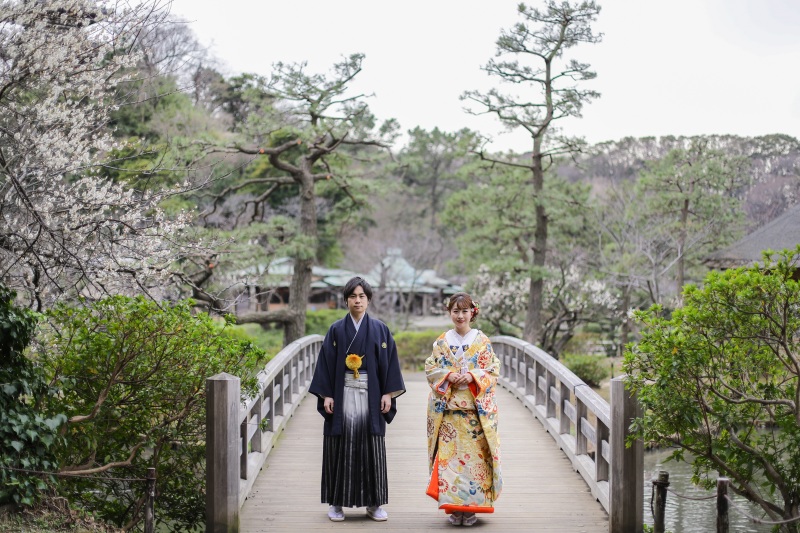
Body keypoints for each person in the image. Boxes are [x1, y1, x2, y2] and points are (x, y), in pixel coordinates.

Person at [309, 276, 406, 522]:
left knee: (371, 447)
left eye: (362, 296)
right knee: (339, 446)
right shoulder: (336, 330)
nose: (357, 300)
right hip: (342, 395)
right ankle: (336, 504)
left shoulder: (380, 329)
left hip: (371, 396)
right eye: (353, 296)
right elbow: (326, 364)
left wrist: (387, 393)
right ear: (346, 300)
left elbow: (389, 363)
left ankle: (374, 504)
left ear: (369, 300)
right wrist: (327, 394)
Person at [425, 292, 502, 527]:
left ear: (473, 313)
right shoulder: (441, 342)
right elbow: (431, 368)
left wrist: (471, 375)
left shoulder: (482, 341)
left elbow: (492, 369)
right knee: (449, 462)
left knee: (475, 463)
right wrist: (448, 375)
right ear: (449, 313)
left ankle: (472, 509)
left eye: (464, 311)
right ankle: (453, 507)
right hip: (448, 412)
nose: (460, 316)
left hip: (473, 413)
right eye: (455, 311)